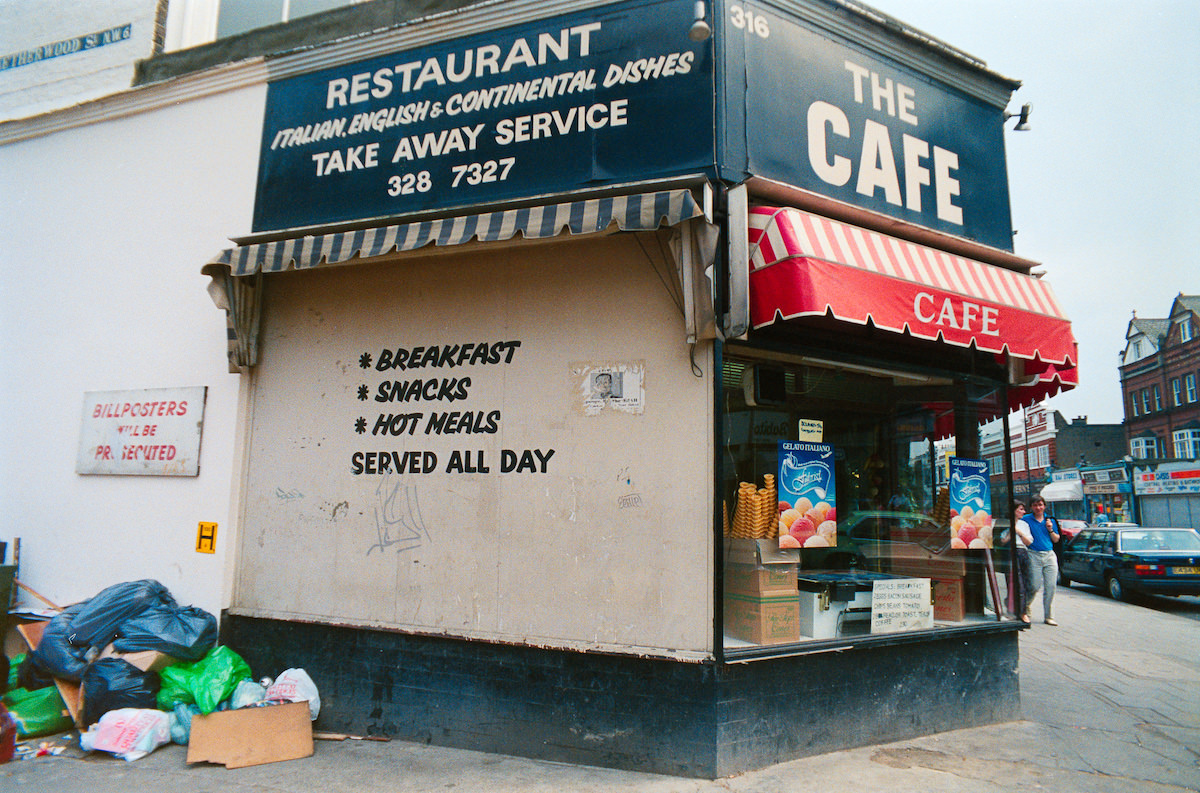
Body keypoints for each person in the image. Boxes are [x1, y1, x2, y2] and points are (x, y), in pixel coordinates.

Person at [1020, 495, 1061, 625]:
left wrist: (1050, 529)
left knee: (1051, 586)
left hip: (1049, 555)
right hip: (1033, 554)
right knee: (1034, 585)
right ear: (1031, 507)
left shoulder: (1050, 520)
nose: (1038, 508)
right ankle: (1025, 607)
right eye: (1035, 505)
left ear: (1044, 506)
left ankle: (1049, 616)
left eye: (1040, 505)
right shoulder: (1026, 520)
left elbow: (1056, 539)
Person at [1009, 502, 1034, 624]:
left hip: (1023, 552)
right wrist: (1011, 532)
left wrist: (1019, 532)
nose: (1023, 512)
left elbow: (1028, 542)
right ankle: (1021, 612)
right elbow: (1003, 541)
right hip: (1011, 552)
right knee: (1018, 584)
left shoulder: (1024, 524)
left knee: (1028, 583)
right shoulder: (1006, 523)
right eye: (1021, 509)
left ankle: (1021, 609)